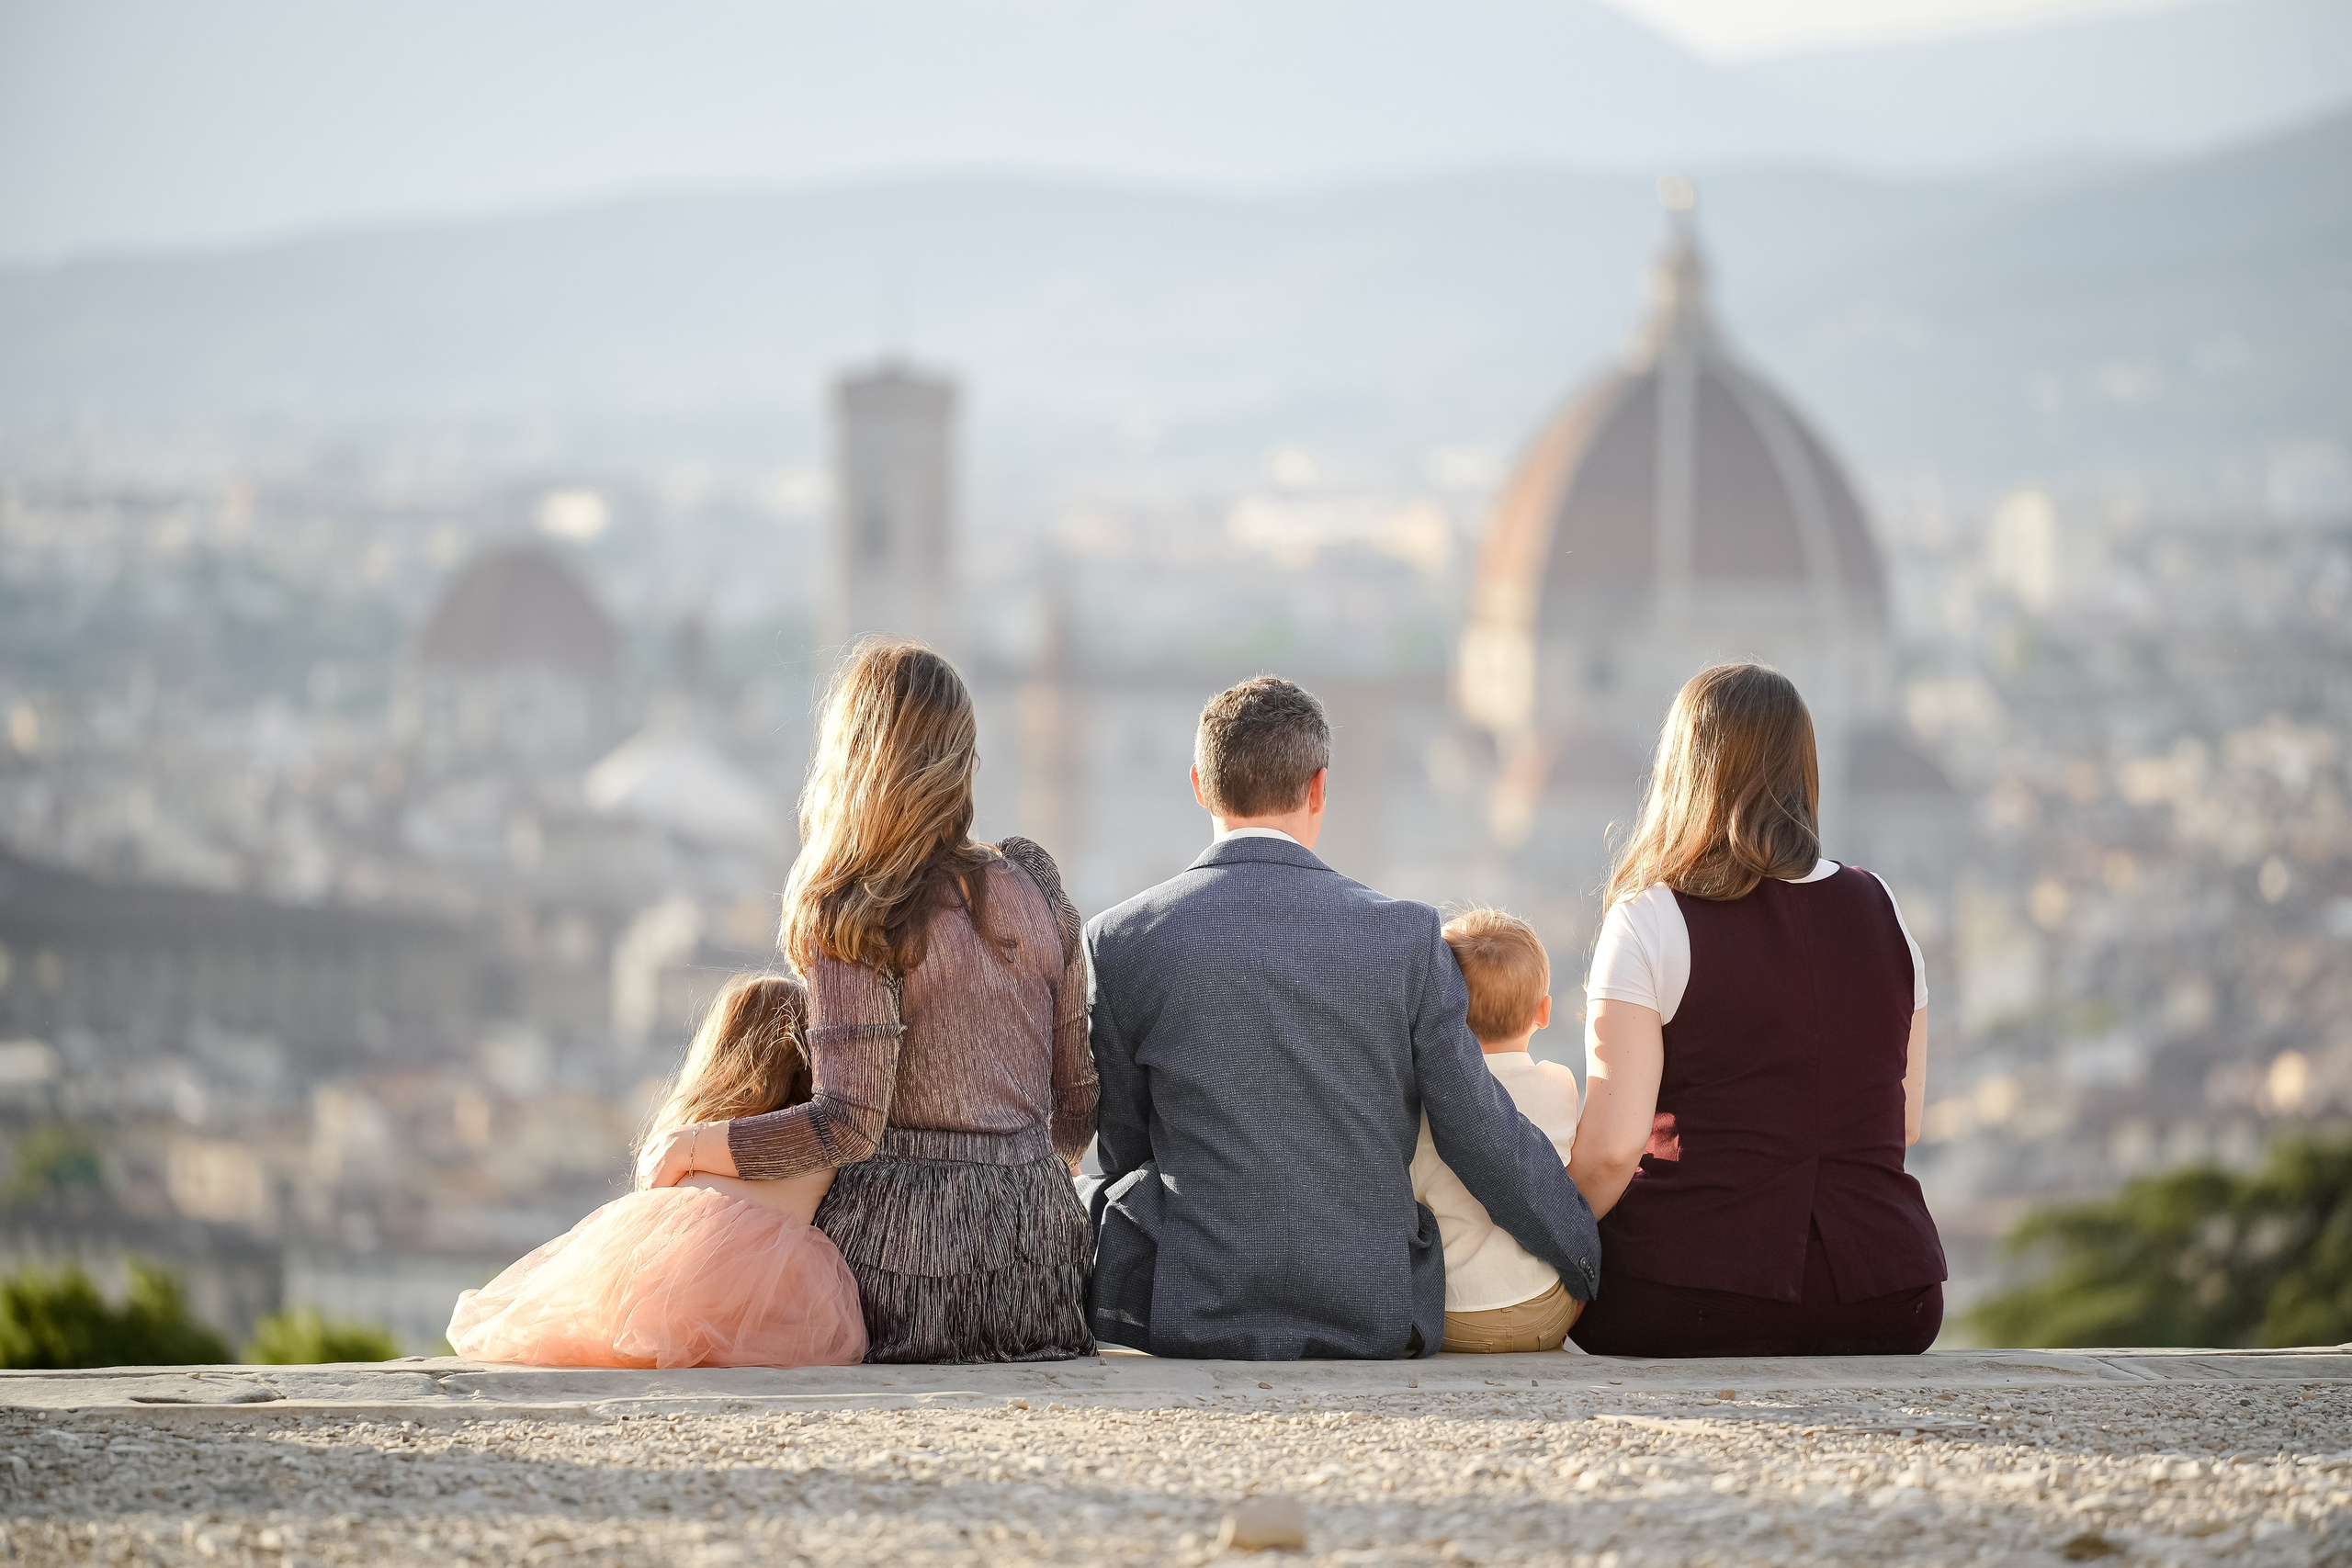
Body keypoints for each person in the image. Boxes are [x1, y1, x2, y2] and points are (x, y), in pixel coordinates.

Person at [1086, 675, 1600, 1359]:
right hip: (1371, 1305)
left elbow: (1128, 1146)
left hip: (1197, 1304)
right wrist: (1580, 1251)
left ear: (1201, 787)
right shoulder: (1406, 937)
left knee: (1091, 1190)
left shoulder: (1120, 940)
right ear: (1319, 787)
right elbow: (1478, 1130)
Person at [637, 639, 1097, 1363]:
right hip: (1046, 1280)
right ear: (963, 757)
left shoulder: (857, 908)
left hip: (902, 1278)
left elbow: (847, 1126)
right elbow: (1077, 1106)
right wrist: (1013, 1185)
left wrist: (691, 1144)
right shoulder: (1035, 885)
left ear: (854, 757)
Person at [1566, 661, 1946, 1357]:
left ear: (1684, 770)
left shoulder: (1650, 919)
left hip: (1687, 1296)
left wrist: (1544, 1247)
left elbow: (1613, 1148)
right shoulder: (1882, 907)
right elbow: (1907, 1121)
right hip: (1891, 1300)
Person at [447, 975, 867, 1369]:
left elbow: (650, 1217)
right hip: (787, 1304)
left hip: (668, 1299)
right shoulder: (823, 1142)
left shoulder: (691, 1140)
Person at [1408, 908, 1585, 1353]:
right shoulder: (1560, 1084)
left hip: (1448, 1315)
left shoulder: (1422, 1106)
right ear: (1544, 1011)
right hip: (1546, 1312)